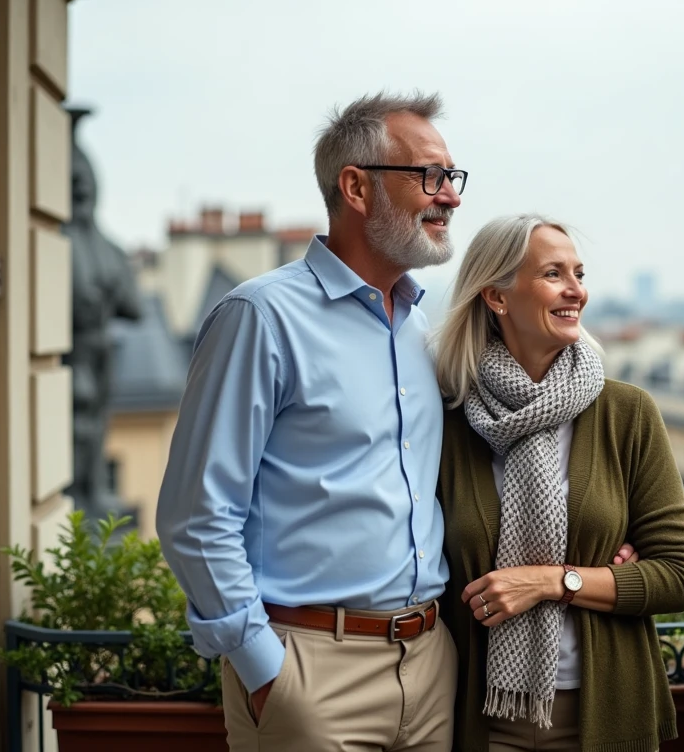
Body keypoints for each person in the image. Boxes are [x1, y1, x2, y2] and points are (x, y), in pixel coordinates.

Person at [156, 91, 467, 752]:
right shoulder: (260, 318)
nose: (450, 196)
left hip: (430, 667)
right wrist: (266, 672)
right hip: (309, 674)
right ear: (356, 188)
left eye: (452, 176)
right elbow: (197, 517)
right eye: (430, 176)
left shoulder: (423, 329)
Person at [433, 214, 684, 752]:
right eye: (553, 274)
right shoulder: (449, 419)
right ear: (497, 297)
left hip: (604, 713)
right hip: (479, 719)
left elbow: (677, 575)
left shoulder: (626, 413)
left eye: (579, 273)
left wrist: (557, 581)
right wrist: (609, 578)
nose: (576, 290)